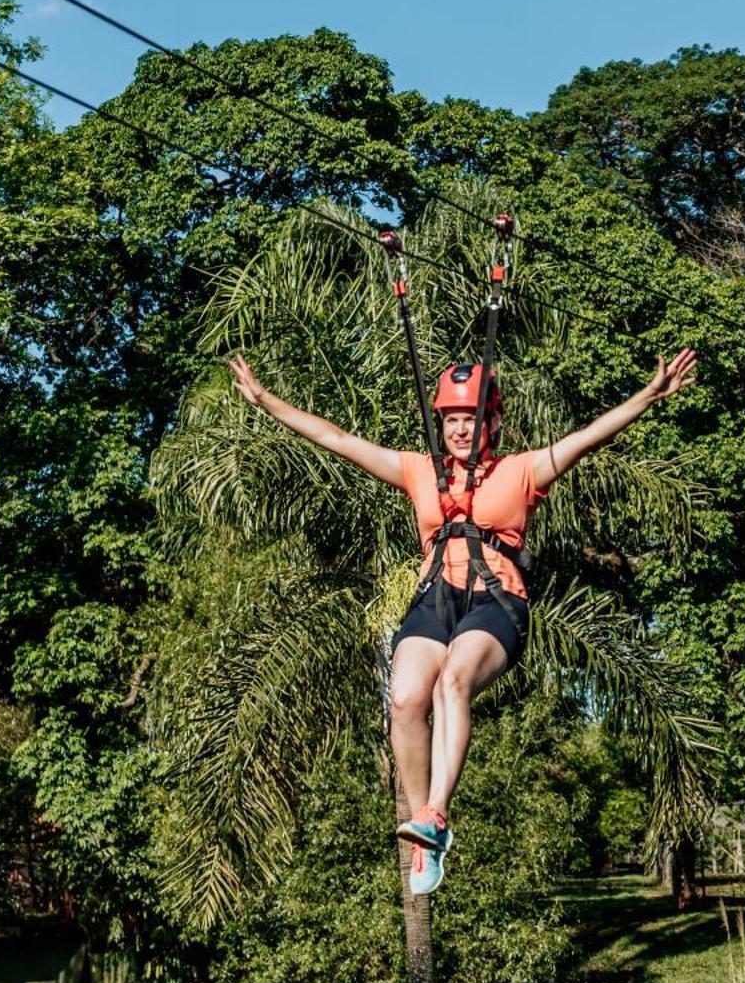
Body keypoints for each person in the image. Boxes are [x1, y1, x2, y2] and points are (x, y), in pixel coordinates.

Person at [227, 347, 697, 893]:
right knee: (403, 699)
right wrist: (266, 401)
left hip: (495, 605)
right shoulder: (418, 471)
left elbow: (589, 437)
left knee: (453, 680)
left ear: (490, 423)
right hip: (433, 600)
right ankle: (421, 834)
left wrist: (647, 395)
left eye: (469, 419)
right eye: (450, 419)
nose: (457, 430)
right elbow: (337, 440)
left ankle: (437, 817)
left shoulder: (522, 471)